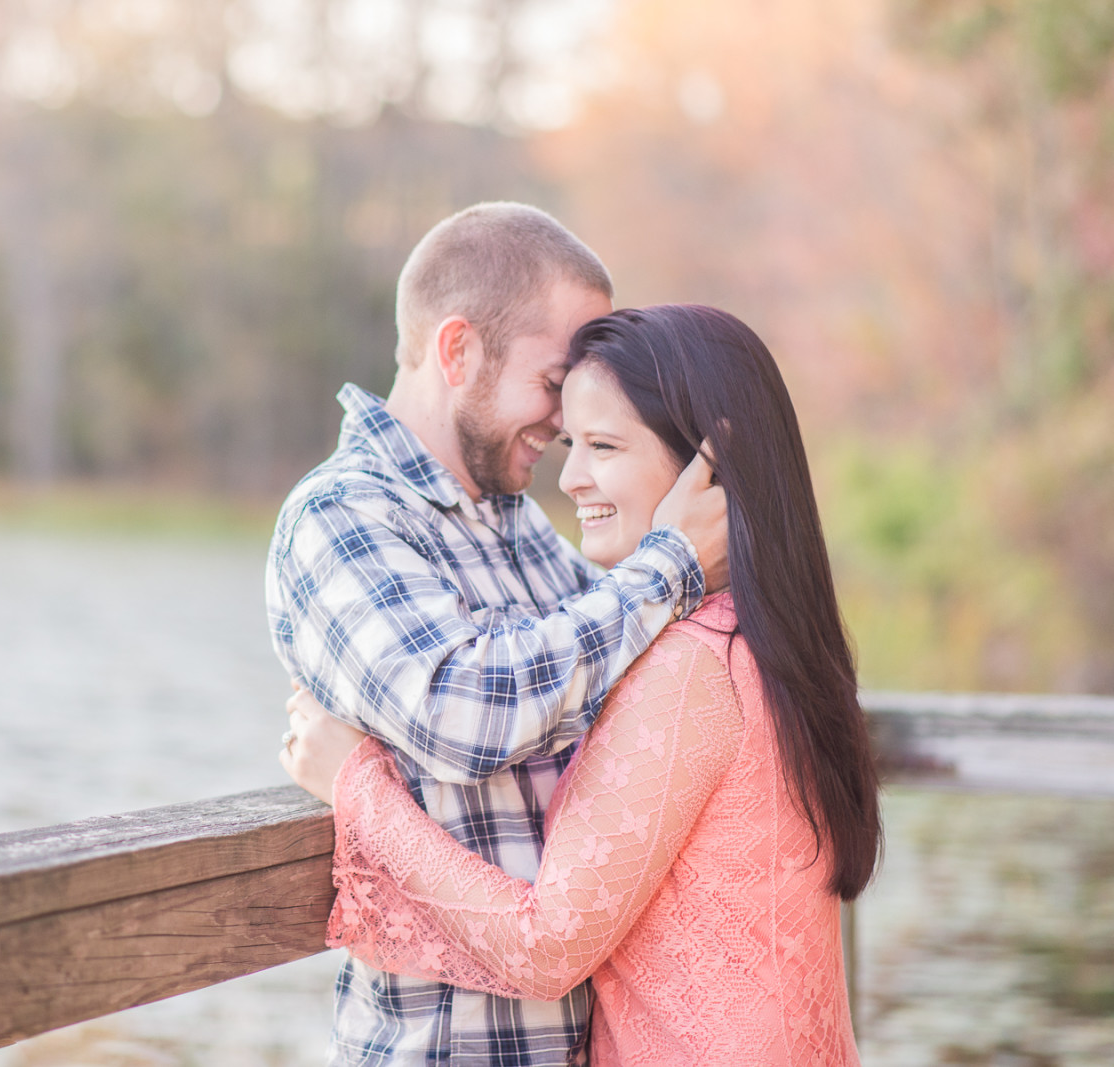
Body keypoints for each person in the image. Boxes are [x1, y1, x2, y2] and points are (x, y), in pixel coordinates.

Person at [282, 305, 882, 1065]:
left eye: (603, 445)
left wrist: (356, 785)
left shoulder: (692, 665)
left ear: (712, 466)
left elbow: (544, 947)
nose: (569, 478)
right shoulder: (766, 640)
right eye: (571, 443)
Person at [266, 205, 729, 1066]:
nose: (563, 421)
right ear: (458, 351)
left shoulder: (515, 524)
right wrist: (670, 562)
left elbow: (631, 692)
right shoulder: (342, 516)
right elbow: (465, 712)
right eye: (555, 381)